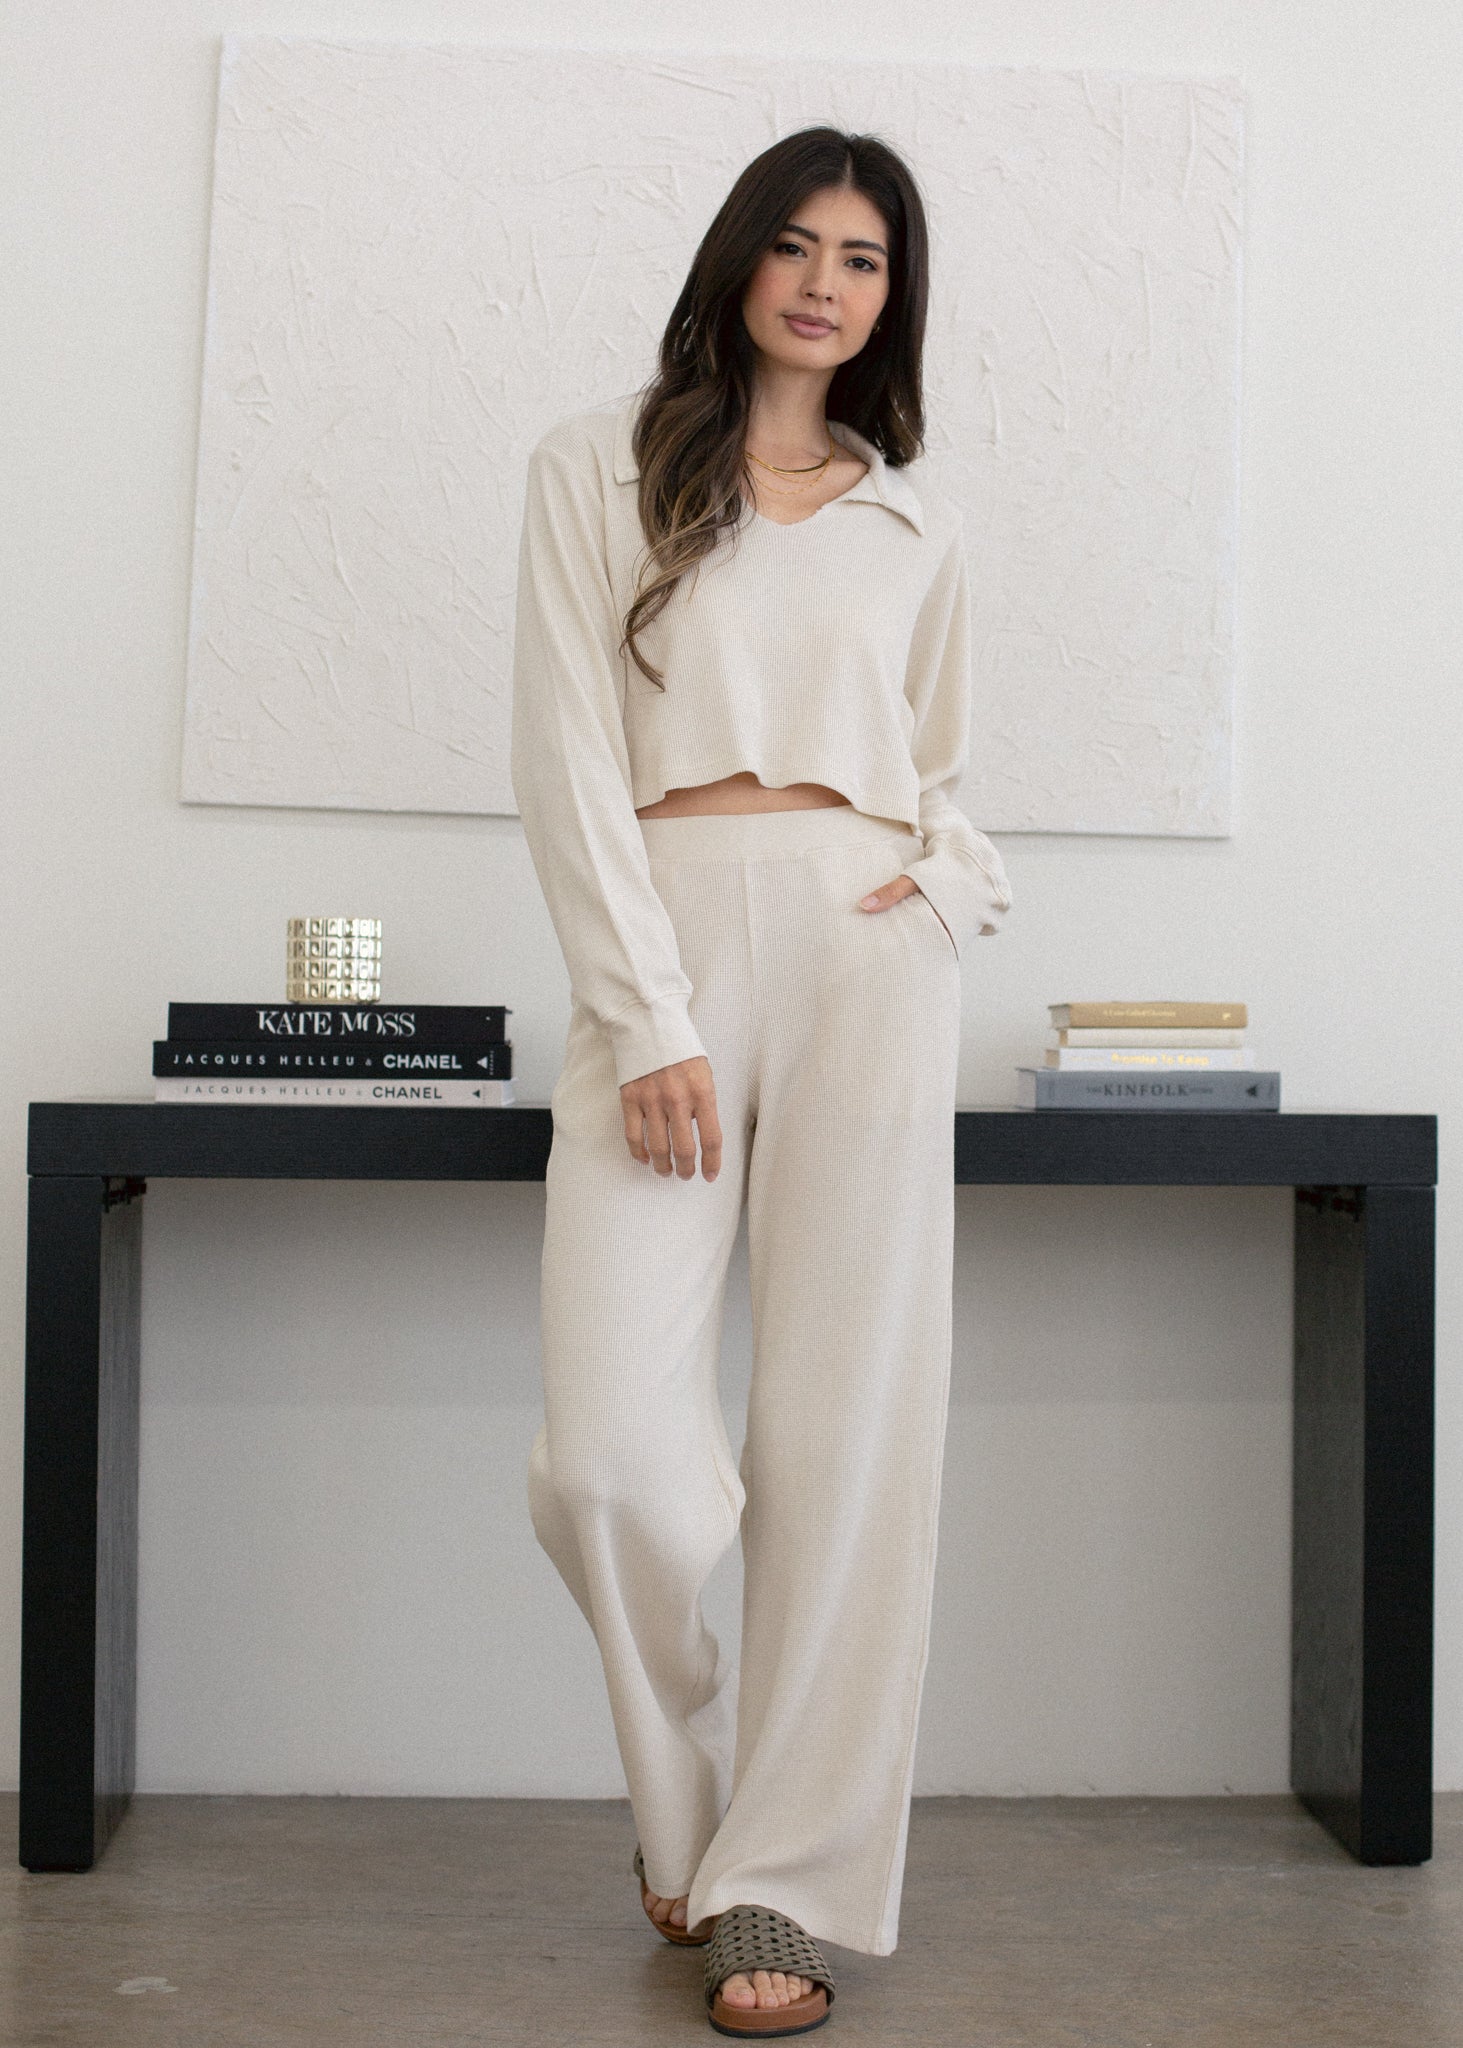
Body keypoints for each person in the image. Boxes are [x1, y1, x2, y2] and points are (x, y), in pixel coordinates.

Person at [510, 124, 1012, 2039]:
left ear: (893, 299)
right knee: (611, 1464)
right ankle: (689, 1813)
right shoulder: (599, 468)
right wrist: (651, 1017)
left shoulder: (913, 523)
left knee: (846, 1437)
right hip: (667, 944)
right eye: (797, 245)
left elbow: (942, 774)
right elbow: (568, 757)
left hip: (868, 952)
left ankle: (780, 1890)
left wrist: (944, 895)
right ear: (740, 259)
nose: (824, 284)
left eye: (864, 260)